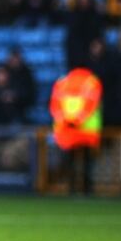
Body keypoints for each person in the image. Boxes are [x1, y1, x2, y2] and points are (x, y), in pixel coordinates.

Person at [49, 67, 102, 195]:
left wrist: (67, 120)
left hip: (67, 129)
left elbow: (54, 106)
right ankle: (86, 189)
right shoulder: (92, 82)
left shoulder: (62, 82)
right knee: (86, 161)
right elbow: (91, 104)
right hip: (86, 129)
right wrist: (78, 120)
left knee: (72, 160)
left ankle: (72, 187)